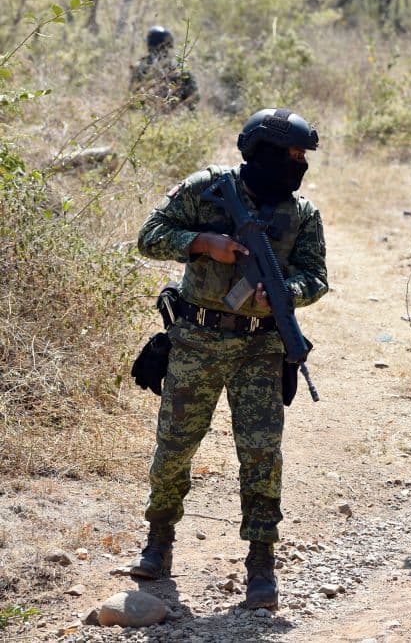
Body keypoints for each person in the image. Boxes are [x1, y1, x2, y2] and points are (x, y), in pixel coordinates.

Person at [129, 108, 328, 610]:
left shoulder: (301, 214)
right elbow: (150, 235)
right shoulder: (208, 188)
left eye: (303, 157)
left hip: (261, 348)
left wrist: (281, 294)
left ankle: (261, 564)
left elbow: (316, 277)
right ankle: (158, 542)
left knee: (262, 455)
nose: (299, 165)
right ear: (262, 152)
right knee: (173, 449)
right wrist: (202, 243)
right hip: (196, 341)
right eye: (292, 155)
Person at [130, 25, 199, 109]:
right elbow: (194, 95)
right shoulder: (178, 66)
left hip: (146, 113)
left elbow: (133, 95)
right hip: (174, 114)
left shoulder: (141, 66)